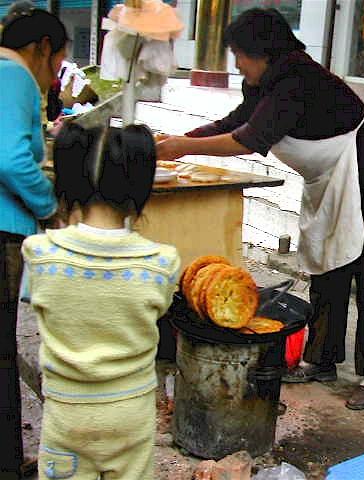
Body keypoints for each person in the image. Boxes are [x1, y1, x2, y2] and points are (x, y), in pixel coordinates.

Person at [156, 8, 364, 410]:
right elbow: (236, 121)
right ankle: (321, 359)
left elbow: (249, 140)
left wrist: (183, 148)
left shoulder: (297, 80)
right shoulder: (263, 83)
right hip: (328, 176)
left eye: (240, 54)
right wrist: (179, 139)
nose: (236, 63)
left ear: (264, 50)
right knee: (326, 264)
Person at [21, 123, 180, 480]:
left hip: (67, 414)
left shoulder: (39, 253)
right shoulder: (161, 262)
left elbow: (37, 302)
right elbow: (159, 309)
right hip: (130, 414)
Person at [0, 8, 67, 478]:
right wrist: (48, 206)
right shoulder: (16, 75)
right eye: (56, 62)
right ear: (41, 47)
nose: (52, 75)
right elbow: (9, 159)